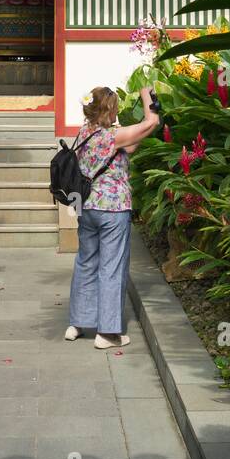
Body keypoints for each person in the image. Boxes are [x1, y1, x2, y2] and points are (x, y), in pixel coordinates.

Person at [65, 86, 160, 350]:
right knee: (111, 268)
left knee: (86, 262)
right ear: (109, 109)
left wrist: (142, 129)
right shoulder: (110, 136)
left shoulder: (85, 133)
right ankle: (107, 333)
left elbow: (127, 148)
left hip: (88, 208)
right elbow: (152, 122)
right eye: (115, 106)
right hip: (112, 208)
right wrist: (146, 96)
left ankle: (77, 323)